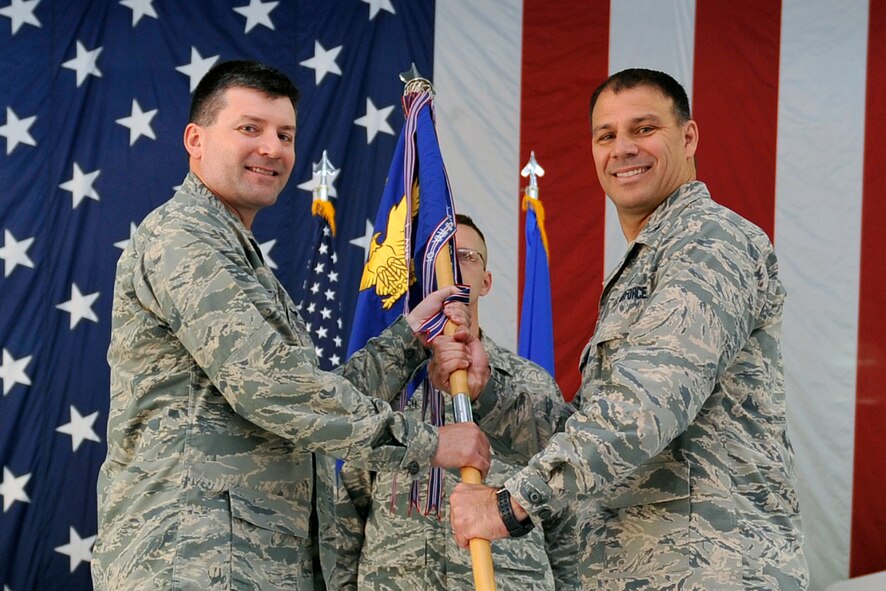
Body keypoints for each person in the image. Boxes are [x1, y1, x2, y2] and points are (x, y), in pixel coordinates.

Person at [92, 60, 491, 591]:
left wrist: (409, 339)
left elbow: (304, 407)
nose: (272, 148)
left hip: (252, 561)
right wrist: (429, 442)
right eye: (249, 129)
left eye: (285, 134)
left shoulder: (239, 255)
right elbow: (271, 387)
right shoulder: (183, 239)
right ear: (196, 139)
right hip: (191, 559)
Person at [447, 68, 809, 590]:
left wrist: (511, 503)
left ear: (688, 138)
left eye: (643, 129)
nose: (622, 149)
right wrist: (492, 390)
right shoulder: (647, 260)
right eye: (606, 135)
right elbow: (600, 431)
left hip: (711, 569)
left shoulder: (709, 241)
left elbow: (648, 406)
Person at [321, 214, 578, 590]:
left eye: (467, 256)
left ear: (487, 282)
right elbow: (346, 506)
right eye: (440, 254)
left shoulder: (529, 384)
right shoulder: (392, 384)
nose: (451, 266)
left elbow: (565, 517)